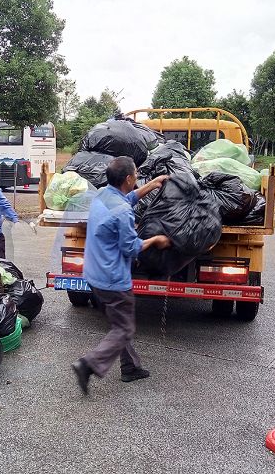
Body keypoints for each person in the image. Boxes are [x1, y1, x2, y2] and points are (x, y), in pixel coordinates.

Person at [72, 156, 170, 395]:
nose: (137, 177)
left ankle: (130, 367)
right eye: (136, 174)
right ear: (128, 178)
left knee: (119, 323)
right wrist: (157, 239)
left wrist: (152, 184)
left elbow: (125, 199)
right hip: (112, 278)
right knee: (124, 329)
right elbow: (131, 248)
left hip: (94, 273)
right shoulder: (122, 212)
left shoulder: (103, 194)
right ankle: (88, 365)